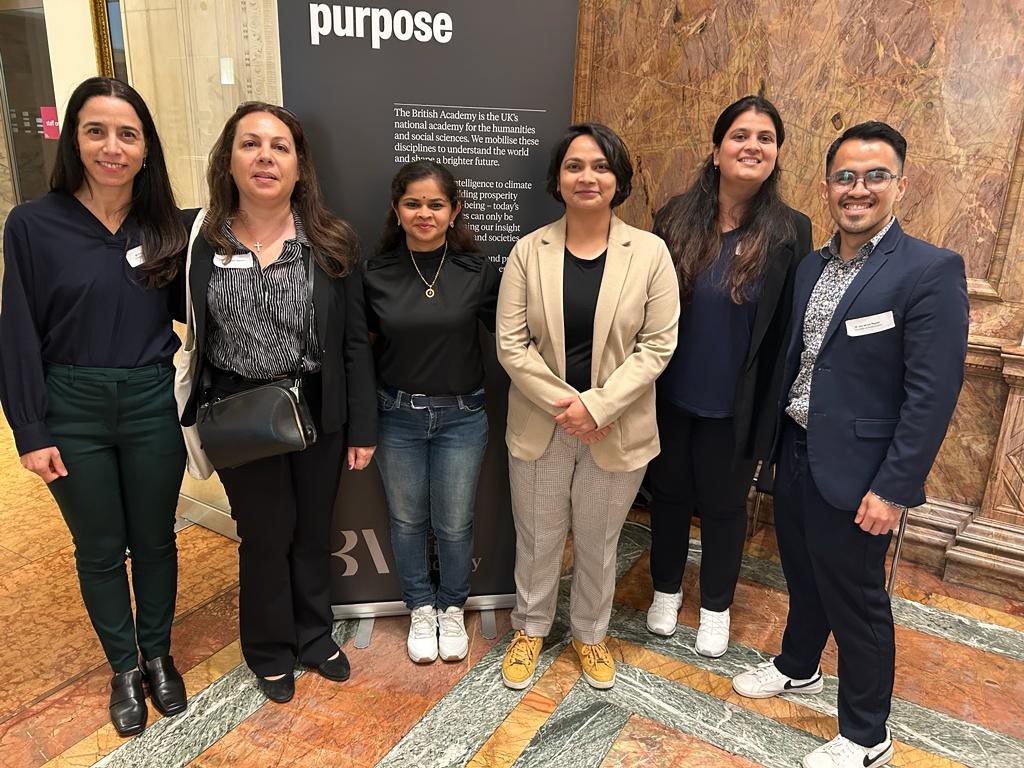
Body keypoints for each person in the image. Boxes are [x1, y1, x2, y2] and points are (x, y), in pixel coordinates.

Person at [731, 122, 969, 768]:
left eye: (874, 176)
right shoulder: (812, 264)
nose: (857, 190)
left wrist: (894, 488)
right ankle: (798, 665)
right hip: (800, 451)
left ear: (900, 183)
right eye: (845, 176)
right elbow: (803, 360)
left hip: (863, 472)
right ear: (828, 184)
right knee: (804, 576)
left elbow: (932, 394)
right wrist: (772, 449)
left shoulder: (928, 271)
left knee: (858, 601)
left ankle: (868, 735)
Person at [0, 77, 187, 736]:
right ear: (73, 139)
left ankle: (159, 656)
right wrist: (29, 426)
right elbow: (17, 329)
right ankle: (124, 668)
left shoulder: (168, 227)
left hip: (148, 399)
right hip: (71, 405)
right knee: (101, 548)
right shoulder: (32, 225)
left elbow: (201, 312)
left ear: (145, 148)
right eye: (96, 130)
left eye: (127, 134)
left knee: (156, 539)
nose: (112, 147)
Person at [178, 102, 377, 703]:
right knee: (265, 535)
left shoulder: (330, 241)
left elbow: (354, 343)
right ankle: (268, 648)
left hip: (318, 409)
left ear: (298, 167)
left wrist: (362, 426)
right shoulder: (200, 239)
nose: (265, 156)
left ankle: (314, 636)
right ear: (229, 160)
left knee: (312, 532)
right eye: (251, 144)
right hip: (240, 414)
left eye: (279, 147)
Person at [496, 123, 679, 690]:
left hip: (616, 430)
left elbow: (658, 345)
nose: (587, 176)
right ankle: (530, 628)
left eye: (600, 166)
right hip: (541, 426)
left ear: (618, 179)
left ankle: (590, 635)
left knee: (600, 543)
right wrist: (567, 406)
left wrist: (597, 408)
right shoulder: (530, 250)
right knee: (537, 538)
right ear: (558, 179)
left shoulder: (649, 252)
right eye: (575, 166)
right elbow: (511, 343)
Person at [644, 95, 812, 656]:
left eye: (766, 138)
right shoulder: (672, 218)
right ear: (716, 151)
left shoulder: (791, 231)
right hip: (669, 395)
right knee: (666, 497)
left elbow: (790, 330)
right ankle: (665, 591)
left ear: (776, 155)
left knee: (723, 507)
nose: (753, 146)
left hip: (738, 404)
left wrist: (773, 421)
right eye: (741, 135)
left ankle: (715, 607)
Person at [364, 160, 500, 664]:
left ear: (454, 210)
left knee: (456, 523)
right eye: (413, 203)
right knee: (406, 520)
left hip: (463, 417)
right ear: (397, 211)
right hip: (395, 414)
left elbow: (513, 340)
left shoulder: (479, 273)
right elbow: (359, 353)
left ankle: (451, 607)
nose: (425, 213)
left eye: (436, 204)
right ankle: (420, 605)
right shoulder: (374, 274)